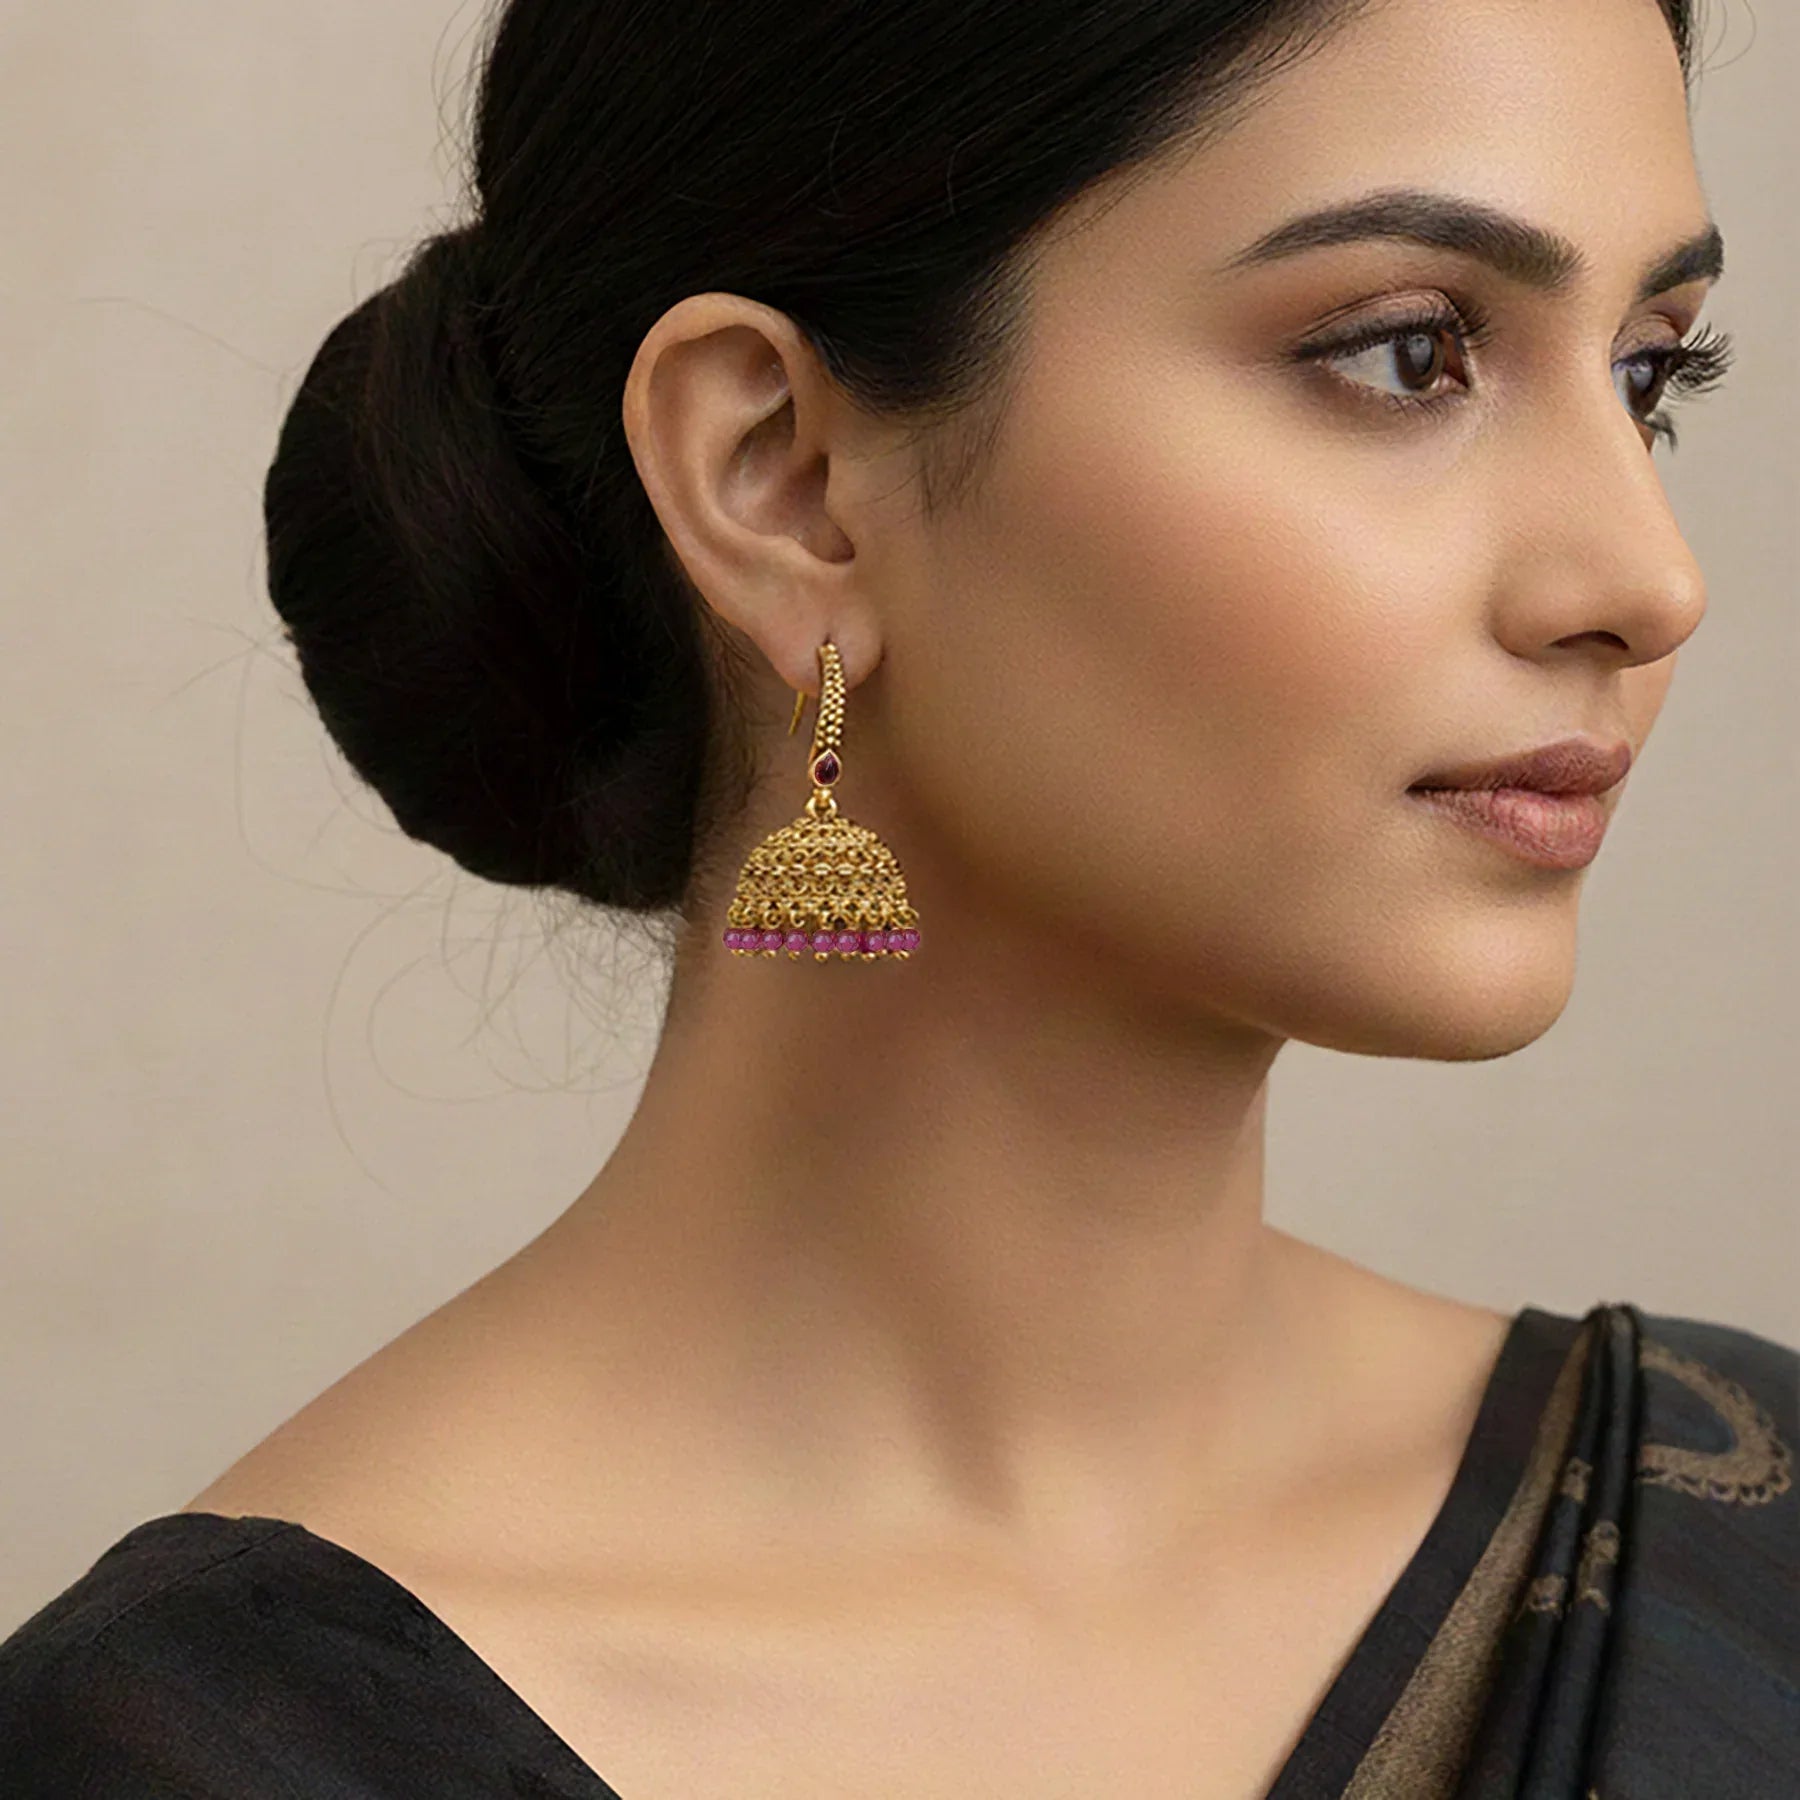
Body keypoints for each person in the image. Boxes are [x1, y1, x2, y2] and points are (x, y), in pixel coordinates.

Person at [3, 0, 1794, 1793]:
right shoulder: (203, 1754)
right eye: (1410, 355)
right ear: (782, 477)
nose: (1650, 579)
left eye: (1652, 375)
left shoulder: (1744, 1542)